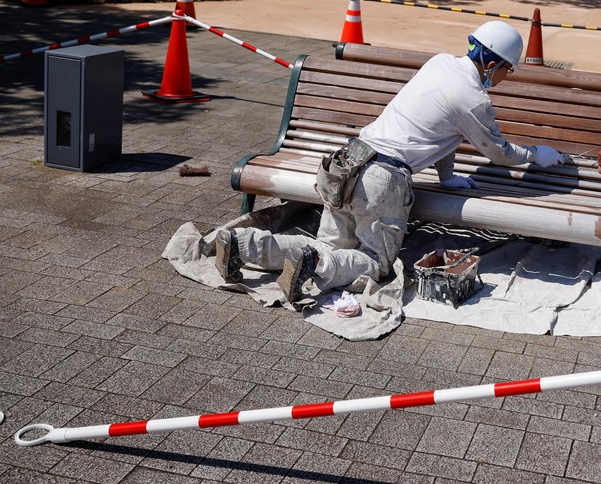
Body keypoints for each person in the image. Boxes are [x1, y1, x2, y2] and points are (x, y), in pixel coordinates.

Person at [214, 21, 565, 302]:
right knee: (376, 262)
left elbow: (443, 129)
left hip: (347, 160)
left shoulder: (440, 62)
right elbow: (499, 152)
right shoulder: (474, 99)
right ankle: (313, 265)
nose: (506, 77)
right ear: (492, 63)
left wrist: (447, 178)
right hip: (382, 180)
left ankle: (244, 244)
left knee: (331, 246)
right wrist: (538, 154)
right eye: (508, 70)